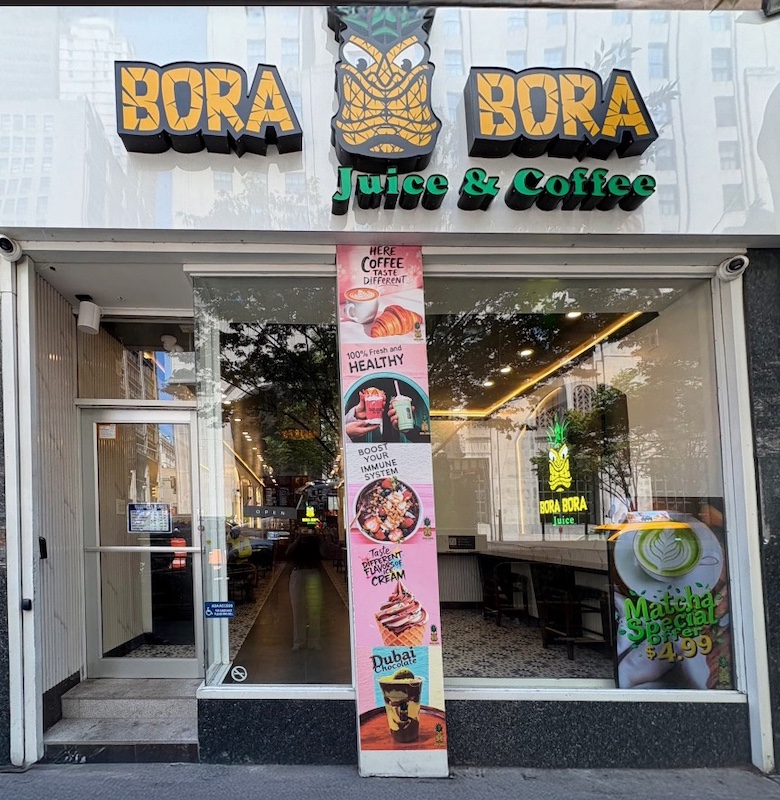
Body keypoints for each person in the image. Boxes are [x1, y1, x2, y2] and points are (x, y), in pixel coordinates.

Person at [287, 524, 324, 651]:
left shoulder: (316, 540)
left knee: (314, 609)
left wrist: (319, 539)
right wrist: (298, 539)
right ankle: (299, 642)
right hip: (300, 572)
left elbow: (325, 553)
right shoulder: (296, 541)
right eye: (303, 530)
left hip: (312, 572)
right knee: (298, 608)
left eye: (308, 531)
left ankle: (313, 642)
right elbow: (288, 553)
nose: (306, 533)